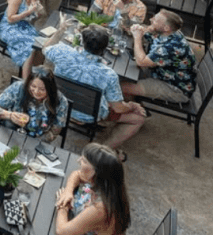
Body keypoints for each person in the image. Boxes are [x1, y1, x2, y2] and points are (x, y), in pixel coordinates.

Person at [41, 25, 146, 159]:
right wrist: (132, 105)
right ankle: (100, 152)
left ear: (82, 41)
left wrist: (59, 31)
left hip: (59, 104)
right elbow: (118, 108)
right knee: (139, 119)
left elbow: (44, 48)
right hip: (88, 116)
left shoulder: (61, 51)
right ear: (104, 48)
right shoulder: (109, 75)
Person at [53, 143, 131, 235]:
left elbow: (62, 233)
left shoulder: (101, 208)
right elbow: (77, 174)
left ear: (96, 171)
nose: (79, 161)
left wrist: (63, 206)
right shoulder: (109, 187)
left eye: (84, 161)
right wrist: (68, 192)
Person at [122, 10, 197, 104]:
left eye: (155, 20)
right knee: (125, 72)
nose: (150, 20)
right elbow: (147, 35)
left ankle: (136, 113)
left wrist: (137, 37)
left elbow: (142, 62)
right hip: (161, 73)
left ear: (166, 27)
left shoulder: (171, 47)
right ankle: (132, 103)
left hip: (175, 88)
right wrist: (137, 29)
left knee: (122, 87)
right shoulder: (168, 32)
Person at [0, 67, 69, 143]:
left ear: (50, 89)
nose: (36, 91)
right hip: (10, 129)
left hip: (37, 138)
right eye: (33, 86)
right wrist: (10, 115)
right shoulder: (19, 87)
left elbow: (54, 132)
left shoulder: (61, 102)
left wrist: (33, 143)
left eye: (42, 89)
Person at [0, 0, 45, 74]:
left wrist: (37, 2)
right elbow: (10, 19)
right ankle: (26, 81)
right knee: (29, 49)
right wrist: (28, 12)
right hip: (9, 28)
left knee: (40, 45)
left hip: (24, 26)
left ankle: (35, 74)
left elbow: (39, 16)